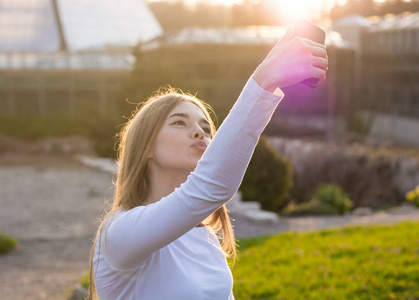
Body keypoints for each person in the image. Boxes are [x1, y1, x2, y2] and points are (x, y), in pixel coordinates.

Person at [89, 25, 328, 300]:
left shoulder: (204, 238)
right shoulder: (118, 234)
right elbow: (208, 188)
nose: (199, 132)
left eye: (205, 127)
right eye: (179, 122)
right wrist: (265, 79)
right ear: (145, 147)